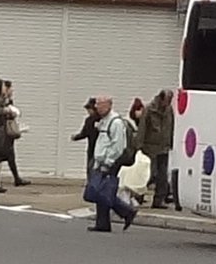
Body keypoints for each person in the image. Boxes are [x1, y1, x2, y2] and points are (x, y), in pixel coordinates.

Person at [88, 95, 137, 233]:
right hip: (101, 161)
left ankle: (126, 211)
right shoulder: (104, 121)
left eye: (100, 104)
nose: (97, 107)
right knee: (101, 191)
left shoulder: (115, 123)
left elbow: (118, 146)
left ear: (109, 105)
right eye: (96, 104)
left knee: (102, 191)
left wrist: (108, 162)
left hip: (109, 162)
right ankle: (103, 223)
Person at [137, 89, 175, 209]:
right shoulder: (149, 109)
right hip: (150, 148)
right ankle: (138, 196)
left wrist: (171, 143)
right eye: (167, 100)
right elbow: (142, 128)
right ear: (161, 98)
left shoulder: (169, 110)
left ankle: (159, 200)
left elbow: (172, 126)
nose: (169, 103)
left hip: (164, 147)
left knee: (162, 176)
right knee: (149, 174)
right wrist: (139, 146)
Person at [70, 98, 99, 178]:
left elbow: (84, 133)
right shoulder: (89, 120)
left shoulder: (102, 120)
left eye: (90, 109)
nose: (88, 111)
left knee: (94, 168)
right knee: (91, 168)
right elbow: (85, 133)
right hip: (92, 148)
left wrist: (77, 137)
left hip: (99, 149)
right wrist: (76, 137)